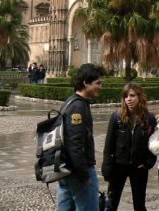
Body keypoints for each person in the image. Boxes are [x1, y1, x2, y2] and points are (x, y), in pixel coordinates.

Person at [101, 83, 157, 211]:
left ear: (140, 97)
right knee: (111, 204)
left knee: (139, 205)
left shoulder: (150, 118)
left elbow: (154, 142)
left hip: (139, 167)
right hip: (118, 167)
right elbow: (108, 145)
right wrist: (107, 170)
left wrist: (149, 162)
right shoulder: (117, 117)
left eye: (132, 96)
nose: (128, 99)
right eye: (126, 96)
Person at [57, 63, 103, 211]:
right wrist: (85, 176)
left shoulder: (71, 101)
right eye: (98, 83)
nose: (100, 87)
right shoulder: (77, 106)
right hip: (77, 172)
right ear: (86, 82)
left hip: (66, 171)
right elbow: (75, 145)